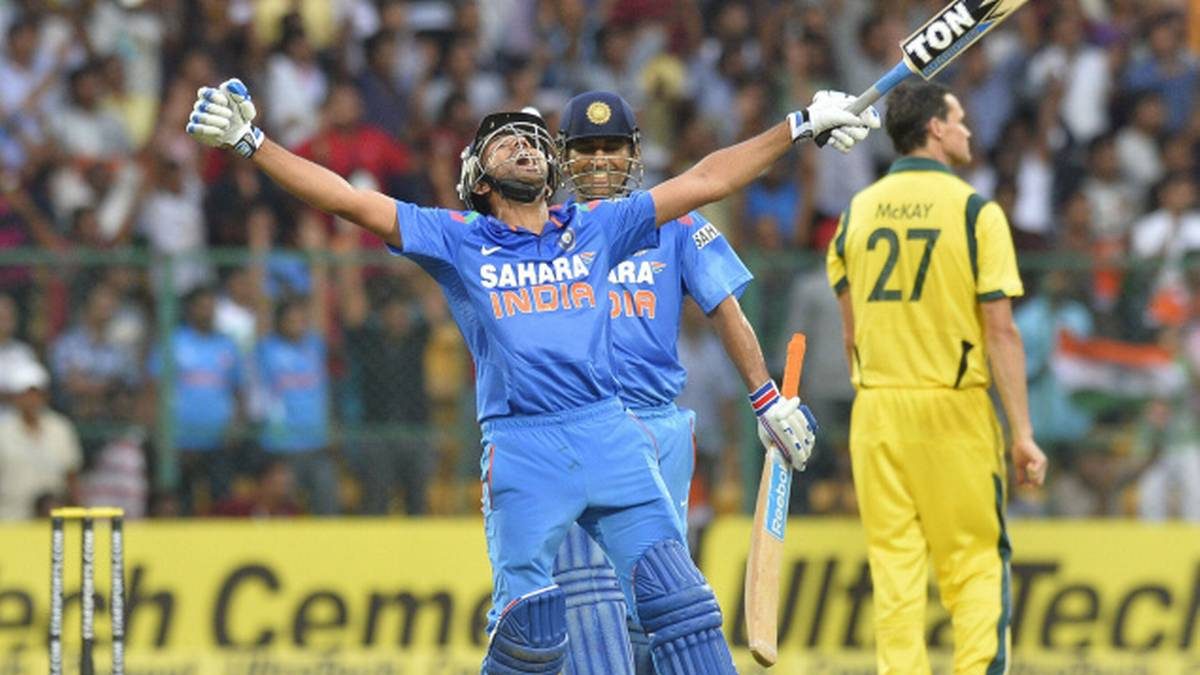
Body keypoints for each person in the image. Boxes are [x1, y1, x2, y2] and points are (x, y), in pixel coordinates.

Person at [186, 77, 876, 673]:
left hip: (610, 434)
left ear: (550, 170)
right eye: (503, 142)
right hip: (524, 449)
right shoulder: (458, 238)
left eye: (531, 139)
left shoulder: (597, 226)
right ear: (479, 180)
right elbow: (347, 201)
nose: (523, 143)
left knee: (682, 602)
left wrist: (798, 125)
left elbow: (706, 180)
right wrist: (253, 144)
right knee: (532, 632)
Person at [550, 91, 835, 674]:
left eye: (611, 147)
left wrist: (766, 400)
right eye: (586, 148)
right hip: (578, 427)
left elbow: (725, 308)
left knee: (656, 603)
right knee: (586, 608)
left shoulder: (674, 221)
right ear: (564, 156)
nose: (599, 160)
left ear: (634, 152)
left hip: (657, 429)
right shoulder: (544, 230)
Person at [827, 80, 1048, 674]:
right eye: (960, 119)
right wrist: (1023, 433)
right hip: (952, 408)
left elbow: (851, 333)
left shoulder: (854, 215)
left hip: (876, 410)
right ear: (934, 128)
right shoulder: (976, 212)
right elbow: (1001, 332)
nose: (969, 130)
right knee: (974, 562)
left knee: (894, 569)